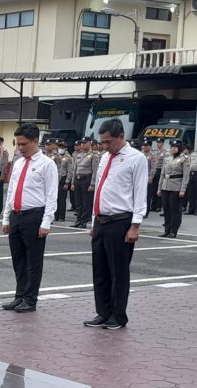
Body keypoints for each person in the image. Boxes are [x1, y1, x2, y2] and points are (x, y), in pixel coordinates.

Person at [83, 118, 147, 331]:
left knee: (118, 272)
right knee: (99, 270)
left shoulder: (136, 158)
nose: (105, 146)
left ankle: (118, 316)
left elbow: (140, 192)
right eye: (103, 142)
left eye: (109, 142)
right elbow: (100, 190)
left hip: (121, 221)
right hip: (101, 220)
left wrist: (135, 224)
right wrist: (94, 220)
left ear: (121, 136)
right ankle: (103, 312)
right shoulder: (104, 158)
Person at [2, 123, 57, 314]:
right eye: (18, 144)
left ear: (35, 141)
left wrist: (46, 222)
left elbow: (51, 195)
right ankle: (19, 296)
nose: (20, 148)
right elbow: (11, 191)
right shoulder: (18, 163)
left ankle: (30, 299)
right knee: (18, 260)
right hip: (16, 215)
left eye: (24, 144)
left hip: (34, 215)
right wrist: (6, 218)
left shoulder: (47, 164)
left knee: (33, 261)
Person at [157, 140, 187, 238]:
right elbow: (162, 174)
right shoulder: (167, 158)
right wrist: (159, 188)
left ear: (180, 148)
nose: (173, 148)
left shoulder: (184, 159)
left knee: (174, 210)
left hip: (176, 186)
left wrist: (183, 189)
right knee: (166, 209)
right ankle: (167, 230)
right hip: (166, 185)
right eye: (172, 147)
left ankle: (173, 231)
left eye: (176, 147)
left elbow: (186, 176)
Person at [70, 137, 99, 228]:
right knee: (78, 202)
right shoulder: (78, 155)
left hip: (87, 179)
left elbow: (95, 171)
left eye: (85, 143)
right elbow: (75, 169)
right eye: (82, 143)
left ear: (90, 143)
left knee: (86, 202)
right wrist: (72, 182)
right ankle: (78, 220)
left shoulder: (94, 155)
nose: (82, 144)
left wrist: (92, 184)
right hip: (78, 179)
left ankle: (83, 221)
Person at [0, 136, 9, 213]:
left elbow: (4, 164)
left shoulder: (4, 151)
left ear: (1, 142)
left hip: (0, 173)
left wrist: (2, 175)